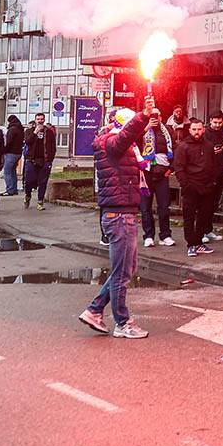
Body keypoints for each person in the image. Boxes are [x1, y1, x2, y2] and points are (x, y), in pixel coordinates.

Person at [79, 98, 154, 339]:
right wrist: (142, 116)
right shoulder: (111, 142)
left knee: (125, 269)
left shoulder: (115, 143)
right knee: (122, 272)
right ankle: (123, 322)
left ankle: (94, 310)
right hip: (119, 215)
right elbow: (125, 137)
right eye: (131, 124)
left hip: (123, 213)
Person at [173, 118, 218, 258]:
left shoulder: (209, 145)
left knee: (204, 216)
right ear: (189, 130)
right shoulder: (183, 146)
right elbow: (179, 168)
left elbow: (213, 165)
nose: (197, 132)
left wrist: (212, 183)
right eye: (194, 129)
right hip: (191, 186)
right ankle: (191, 245)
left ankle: (198, 243)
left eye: (199, 129)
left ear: (203, 129)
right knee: (189, 217)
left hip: (207, 187)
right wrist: (186, 184)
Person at [138, 108, 175, 248]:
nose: (155, 118)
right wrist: (146, 128)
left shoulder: (167, 131)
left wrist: (171, 168)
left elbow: (175, 148)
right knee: (145, 207)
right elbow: (134, 144)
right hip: (146, 173)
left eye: (157, 115)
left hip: (162, 173)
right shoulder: (142, 129)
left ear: (161, 116)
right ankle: (148, 235)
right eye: (151, 115)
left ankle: (165, 235)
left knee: (164, 207)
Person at [203, 113, 223, 244]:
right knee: (205, 203)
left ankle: (208, 229)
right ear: (210, 121)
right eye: (215, 122)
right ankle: (202, 230)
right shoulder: (205, 134)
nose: (218, 125)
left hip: (220, 172)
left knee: (214, 203)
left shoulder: (222, 134)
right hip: (208, 174)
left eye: (220, 123)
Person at [22, 113, 56, 211]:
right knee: (29, 181)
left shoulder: (49, 132)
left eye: (42, 119)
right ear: (35, 120)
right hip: (31, 160)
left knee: (43, 182)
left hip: (45, 160)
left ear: (44, 120)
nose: (40, 121)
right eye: (38, 119)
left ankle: (40, 201)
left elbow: (53, 147)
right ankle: (27, 195)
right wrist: (35, 133)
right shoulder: (29, 131)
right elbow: (27, 142)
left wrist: (50, 159)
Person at [2, 115, 24, 196]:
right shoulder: (20, 129)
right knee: (13, 171)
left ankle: (10, 189)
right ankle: (14, 189)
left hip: (11, 153)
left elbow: (8, 142)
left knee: (7, 171)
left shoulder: (12, 129)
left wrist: (4, 150)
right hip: (18, 153)